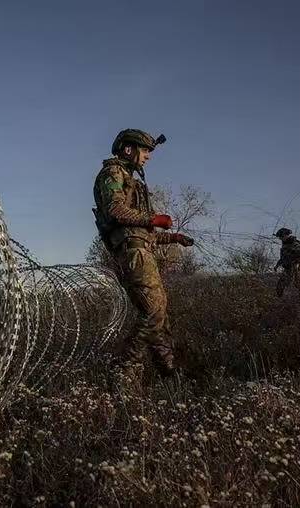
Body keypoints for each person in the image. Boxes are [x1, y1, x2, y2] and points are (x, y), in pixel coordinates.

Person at [92, 129, 194, 379]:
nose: (147, 156)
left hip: (140, 250)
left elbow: (141, 232)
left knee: (159, 316)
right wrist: (154, 218)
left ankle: (169, 370)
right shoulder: (112, 173)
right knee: (153, 313)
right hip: (133, 255)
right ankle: (123, 365)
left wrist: (174, 238)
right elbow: (116, 211)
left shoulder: (131, 180)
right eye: (145, 150)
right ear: (129, 149)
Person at [273, 227, 300, 298]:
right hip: (288, 267)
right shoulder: (284, 244)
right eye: (279, 237)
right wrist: (277, 265)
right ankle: (278, 299)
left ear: (286, 235)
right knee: (281, 284)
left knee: (299, 283)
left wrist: (293, 259)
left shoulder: (294, 243)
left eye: (281, 236)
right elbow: (282, 257)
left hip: (297, 266)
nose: (280, 238)